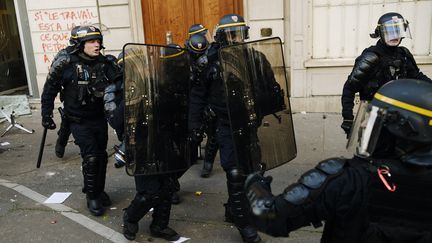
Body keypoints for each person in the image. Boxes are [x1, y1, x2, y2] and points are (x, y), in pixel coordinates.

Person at [245, 78, 432, 242]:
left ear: (405, 129)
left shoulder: (347, 180)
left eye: (376, 119)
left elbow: (271, 216)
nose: (365, 124)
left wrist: (252, 184)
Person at [188, 14, 262, 242]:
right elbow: (197, 95)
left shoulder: (254, 57)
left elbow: (268, 84)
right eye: (232, 33)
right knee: (235, 172)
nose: (237, 38)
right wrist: (194, 125)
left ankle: (234, 209)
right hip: (225, 124)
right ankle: (244, 224)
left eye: (240, 32)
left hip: (249, 124)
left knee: (252, 170)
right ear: (221, 36)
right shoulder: (209, 62)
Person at [41, 25, 119, 216]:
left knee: (100, 157)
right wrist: (46, 114)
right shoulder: (66, 64)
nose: (97, 45)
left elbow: (120, 83)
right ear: (80, 44)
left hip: (99, 118)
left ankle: (98, 190)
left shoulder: (105, 62)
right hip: (77, 120)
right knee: (91, 157)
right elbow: (50, 88)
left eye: (98, 41)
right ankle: (92, 196)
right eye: (91, 41)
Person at [121, 44, 188, 241]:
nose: (145, 67)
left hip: (162, 141)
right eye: (141, 64)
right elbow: (117, 121)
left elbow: (170, 109)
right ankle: (130, 216)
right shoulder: (124, 87)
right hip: (140, 146)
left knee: (167, 186)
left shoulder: (156, 83)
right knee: (149, 192)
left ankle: (159, 225)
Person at [341, 12, 431, 136]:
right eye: (390, 31)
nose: (395, 36)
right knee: (375, 154)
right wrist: (348, 118)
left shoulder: (404, 54)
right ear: (380, 33)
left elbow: (417, 77)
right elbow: (349, 87)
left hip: (399, 117)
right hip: (373, 118)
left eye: (398, 31)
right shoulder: (371, 57)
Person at [185, 25, 219, 178]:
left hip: (209, 97)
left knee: (214, 132)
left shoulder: (211, 53)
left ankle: (208, 163)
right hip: (193, 99)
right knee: (193, 133)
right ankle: (191, 157)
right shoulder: (184, 57)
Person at [52, 25, 80, 158]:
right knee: (67, 121)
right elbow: (54, 73)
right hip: (70, 93)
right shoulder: (64, 55)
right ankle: (61, 142)